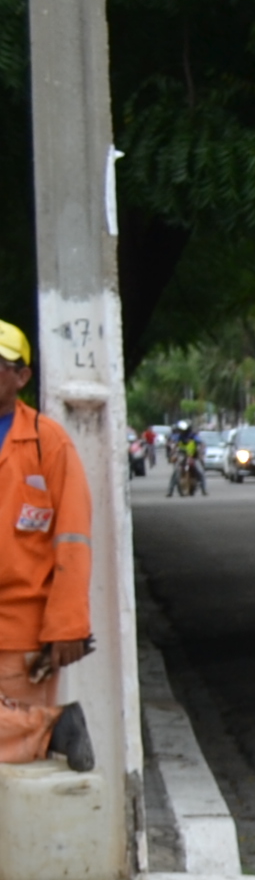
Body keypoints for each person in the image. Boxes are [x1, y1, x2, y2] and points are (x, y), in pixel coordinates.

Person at [0, 322, 97, 770]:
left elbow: (73, 538)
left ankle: (45, 729)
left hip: (22, 633)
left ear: (22, 377)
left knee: (15, 775)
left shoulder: (46, 441)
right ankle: (52, 728)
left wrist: (67, 624)